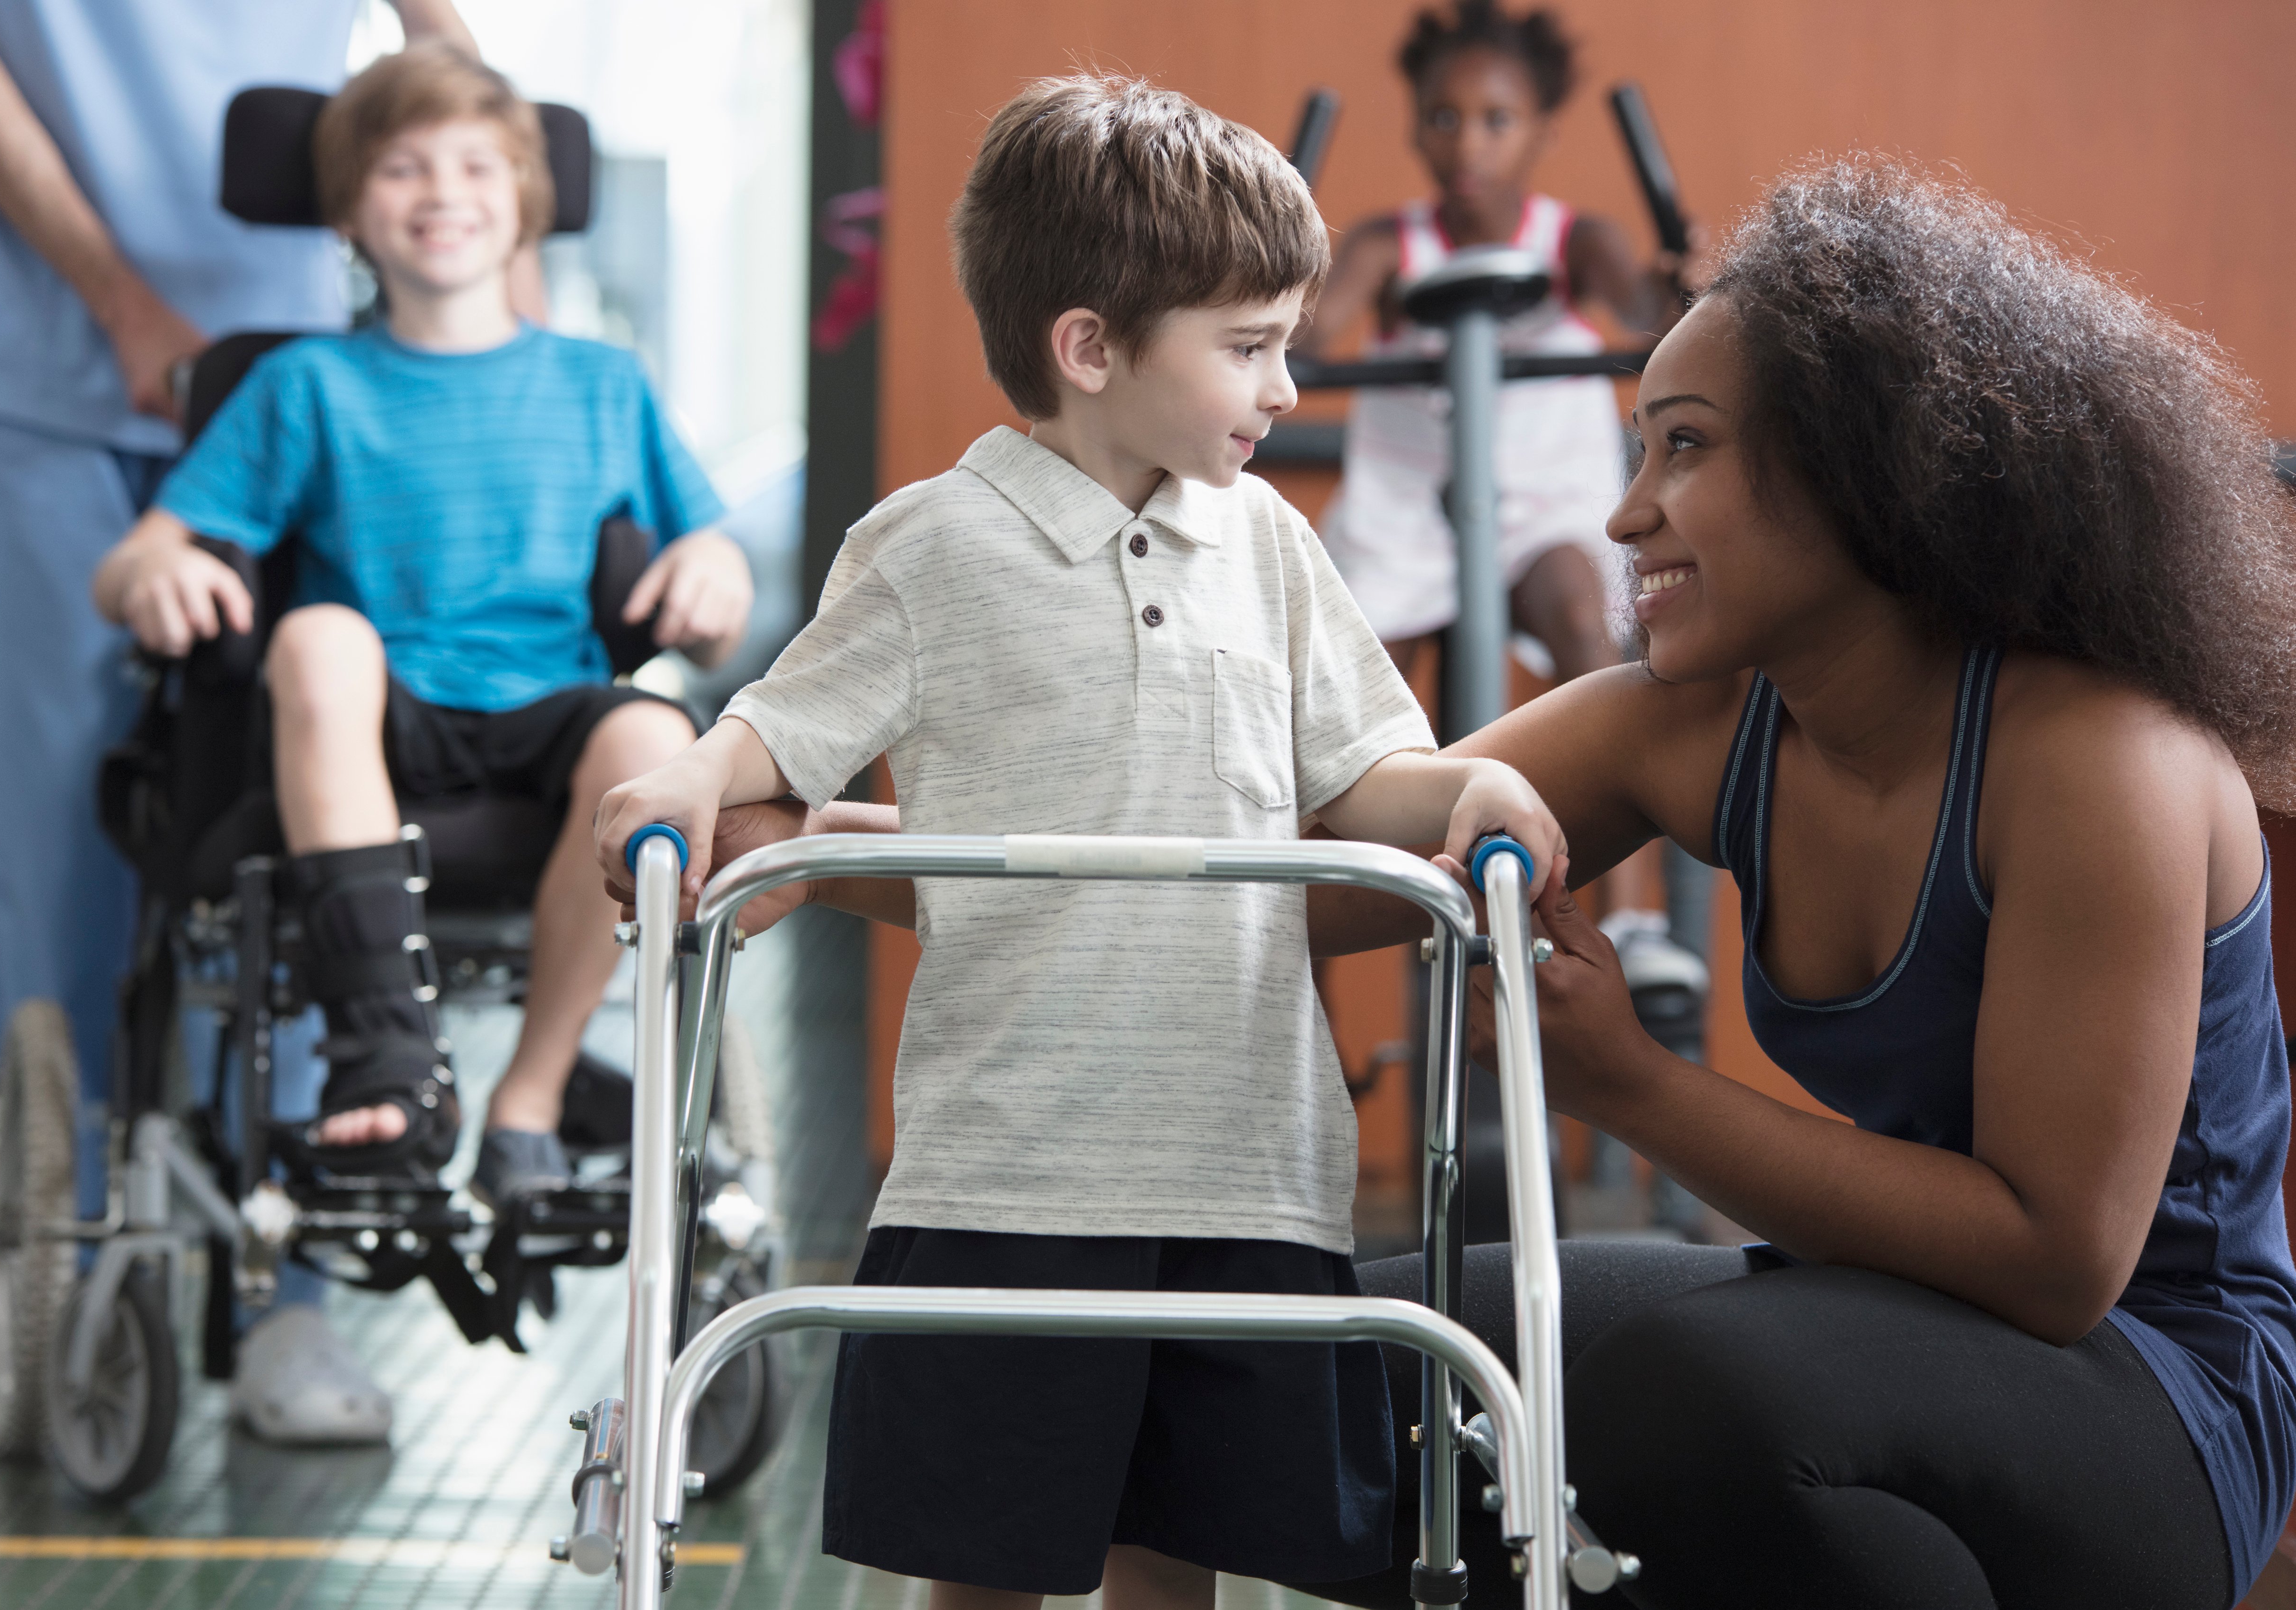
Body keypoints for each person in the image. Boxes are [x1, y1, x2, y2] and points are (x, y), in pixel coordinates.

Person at [704, 158, 2296, 1606]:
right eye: (1637, 447)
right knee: (1290, 1364)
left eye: (1685, 447)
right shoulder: (1691, 727)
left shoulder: (2104, 762)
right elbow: (1272, 883)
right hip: (1862, 1314)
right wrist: (837, 855)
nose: (1624, 509)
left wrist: (1634, 1086)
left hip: (2156, 1393)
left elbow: (2052, 1256)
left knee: (1693, 1402)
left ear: (1870, 469)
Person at [593, 75, 1562, 1610]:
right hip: (1008, 1174)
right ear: (1092, 348)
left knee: (1177, 1563)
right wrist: (694, 774)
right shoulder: (931, 545)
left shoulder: (1269, 544)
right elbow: (780, 730)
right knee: (981, 1567)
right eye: (1248, 347)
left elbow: (1368, 771)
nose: (1286, 387)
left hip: (1247, 1170)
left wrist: (1468, 793)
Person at [92, 43, 747, 1420]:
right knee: (317, 633)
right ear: (348, 211)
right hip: (379, 724)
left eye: (473, 167)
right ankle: (387, 1047)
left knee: (656, 730)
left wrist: (710, 574)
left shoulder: (602, 384)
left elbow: (717, 570)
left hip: (552, 723)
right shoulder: (302, 386)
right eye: (402, 169)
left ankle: (528, 1099)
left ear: (526, 201)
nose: (441, 193)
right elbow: (146, 550)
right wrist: (150, 573)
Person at [0, 0, 483, 1443]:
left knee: (291, 809)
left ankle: (286, 1289)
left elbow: (447, 42)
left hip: (281, 337)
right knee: (47, 830)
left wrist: (487, 287)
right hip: (26, 343)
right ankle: (71, 1268)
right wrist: (121, 306)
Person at [1301, 1, 1710, 1205]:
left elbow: (1637, 306)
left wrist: (1675, 291)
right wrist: (1279, 277)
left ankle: (1629, 923)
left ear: (1537, 131)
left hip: (1533, 498)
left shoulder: (1571, 238)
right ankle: (1304, 957)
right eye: (1443, 119)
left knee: (1582, 611)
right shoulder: (1390, 242)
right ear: (1416, 130)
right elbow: (1320, 325)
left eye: (1494, 120)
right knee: (1339, 714)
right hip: (1408, 503)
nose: (1467, 143)